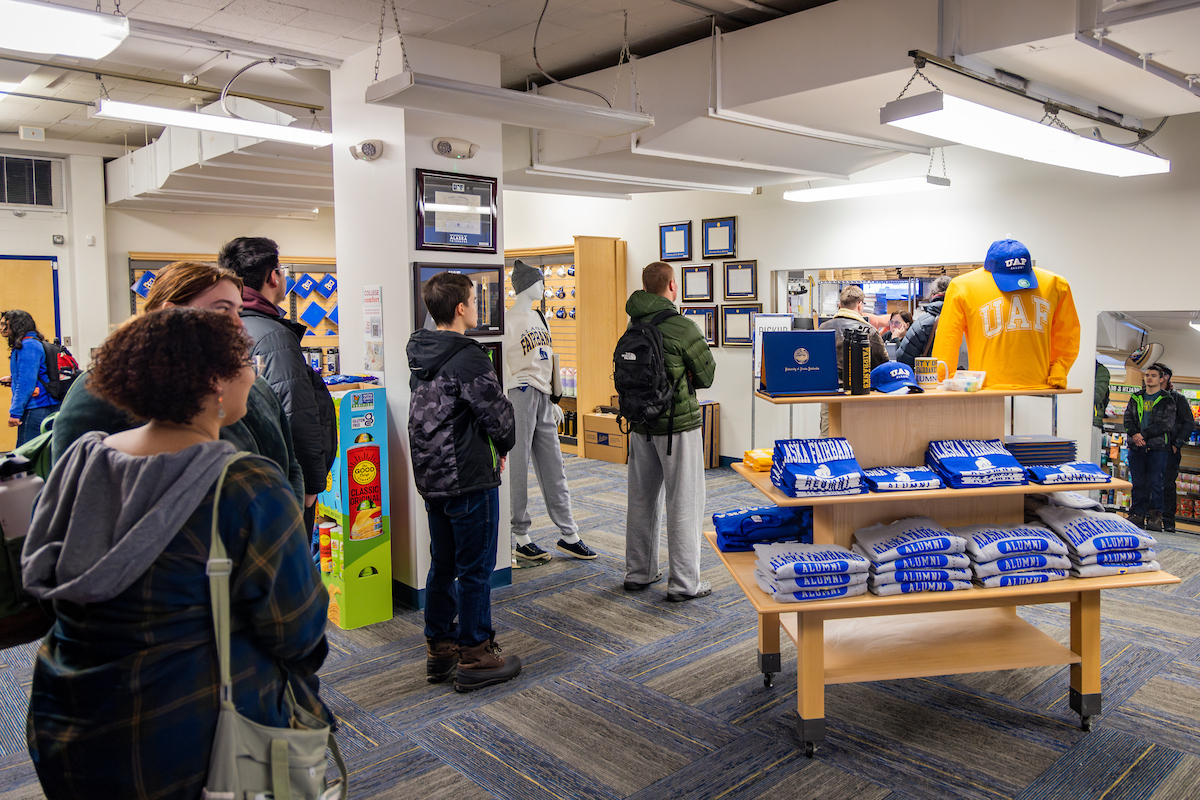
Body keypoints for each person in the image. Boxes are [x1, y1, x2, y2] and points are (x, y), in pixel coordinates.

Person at [22, 308, 331, 799]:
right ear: (216, 383)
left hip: (69, 716)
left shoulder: (83, 460)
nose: (255, 374)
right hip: (196, 731)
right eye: (246, 362)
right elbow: (296, 627)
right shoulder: (243, 484)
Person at [49, 261, 305, 504]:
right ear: (172, 312)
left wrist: (284, 517)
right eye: (222, 310)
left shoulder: (249, 380)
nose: (239, 324)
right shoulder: (108, 384)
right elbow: (71, 479)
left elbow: (290, 461)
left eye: (238, 311)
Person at [407, 272, 520, 692]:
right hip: (469, 477)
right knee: (475, 569)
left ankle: (440, 647)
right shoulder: (468, 357)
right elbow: (498, 415)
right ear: (460, 308)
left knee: (443, 564)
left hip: (433, 476)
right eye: (474, 299)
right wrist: (504, 446)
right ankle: (475, 653)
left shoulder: (421, 354)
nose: (477, 306)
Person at [219, 237, 336, 539]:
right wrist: (311, 484)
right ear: (273, 276)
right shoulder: (272, 337)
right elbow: (297, 412)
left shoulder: (229, 327)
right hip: (280, 481)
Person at [622, 262, 717, 602]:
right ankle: (684, 583)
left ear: (645, 287)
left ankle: (638, 572)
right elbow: (706, 376)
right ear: (672, 286)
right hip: (678, 426)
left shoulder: (633, 324)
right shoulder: (682, 327)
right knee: (685, 502)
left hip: (639, 425)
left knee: (641, 499)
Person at [503, 260, 595, 564]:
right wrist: (508, 382)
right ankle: (520, 537)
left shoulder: (541, 317)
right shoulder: (508, 321)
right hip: (520, 395)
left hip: (543, 396)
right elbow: (497, 359)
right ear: (526, 285)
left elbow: (550, 358)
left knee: (554, 466)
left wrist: (556, 399)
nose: (544, 287)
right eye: (540, 282)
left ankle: (569, 534)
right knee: (518, 468)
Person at [932, 239, 1080, 390]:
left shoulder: (1057, 286)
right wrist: (944, 379)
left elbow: (1067, 336)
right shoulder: (962, 287)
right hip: (987, 388)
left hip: (1038, 388)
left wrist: (1058, 371)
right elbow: (948, 338)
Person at [817, 286, 888, 435]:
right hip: (859, 395)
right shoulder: (869, 331)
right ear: (860, 304)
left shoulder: (822, 329)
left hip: (829, 393)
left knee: (828, 435)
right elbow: (883, 367)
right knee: (859, 437)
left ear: (840, 305)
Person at [1123, 362, 1176, 531]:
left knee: (1156, 484)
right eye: (1147, 375)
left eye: (1153, 376)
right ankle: (1137, 514)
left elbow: (1166, 424)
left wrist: (1143, 435)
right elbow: (1127, 419)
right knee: (1138, 483)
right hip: (1136, 448)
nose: (1149, 378)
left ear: (1161, 379)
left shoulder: (1168, 399)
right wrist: (1135, 434)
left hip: (1158, 448)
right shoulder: (1136, 397)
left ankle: (1155, 518)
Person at [1, 310, 59, 447]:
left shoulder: (28, 346)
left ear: (16, 325)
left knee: (27, 455)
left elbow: (26, 385)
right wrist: (13, 378)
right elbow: (35, 373)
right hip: (45, 405)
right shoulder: (32, 343)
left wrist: (15, 413)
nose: (1, 327)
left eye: (5, 324)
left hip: (37, 408)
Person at [1159, 363, 1196, 532]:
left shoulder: (1178, 398)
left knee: (1167, 484)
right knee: (1147, 483)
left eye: (1155, 374)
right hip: (1149, 448)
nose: (1149, 378)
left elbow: (1189, 422)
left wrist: (1177, 443)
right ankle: (1148, 517)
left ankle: (1168, 521)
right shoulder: (1144, 397)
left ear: (1165, 377)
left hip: (1169, 449)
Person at [896, 276, 952, 367]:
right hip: (964, 378)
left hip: (929, 378)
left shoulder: (921, 324)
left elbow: (903, 359)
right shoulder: (966, 320)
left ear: (932, 296)